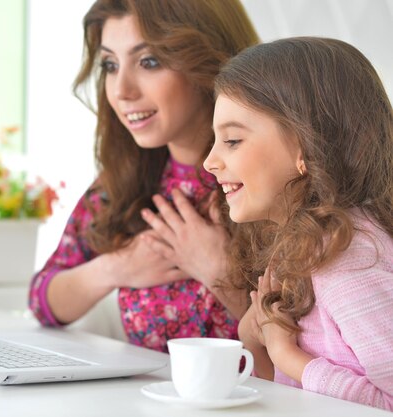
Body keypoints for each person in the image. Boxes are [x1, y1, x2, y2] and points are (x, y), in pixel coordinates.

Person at [28, 0, 259, 352]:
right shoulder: (123, 180)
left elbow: (318, 343)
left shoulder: (270, 175)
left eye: (149, 62)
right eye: (109, 64)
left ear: (210, 62)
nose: (122, 90)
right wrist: (118, 268)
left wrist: (220, 274)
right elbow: (43, 299)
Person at [204, 37, 393, 410]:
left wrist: (285, 353)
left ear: (305, 147)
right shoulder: (307, 245)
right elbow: (289, 396)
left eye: (232, 140)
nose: (210, 161)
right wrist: (256, 339)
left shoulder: (350, 258)